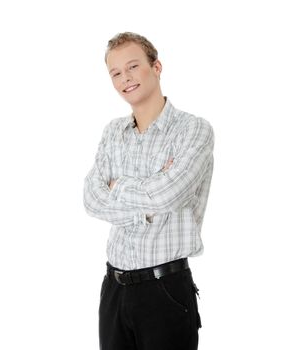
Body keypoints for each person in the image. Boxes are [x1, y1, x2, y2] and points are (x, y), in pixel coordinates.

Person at [83, 32, 214, 350]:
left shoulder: (193, 130)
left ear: (156, 67)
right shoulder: (113, 132)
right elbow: (91, 199)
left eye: (132, 66)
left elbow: (168, 194)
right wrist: (148, 194)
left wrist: (119, 186)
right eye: (115, 73)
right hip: (114, 289)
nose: (125, 78)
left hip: (164, 290)